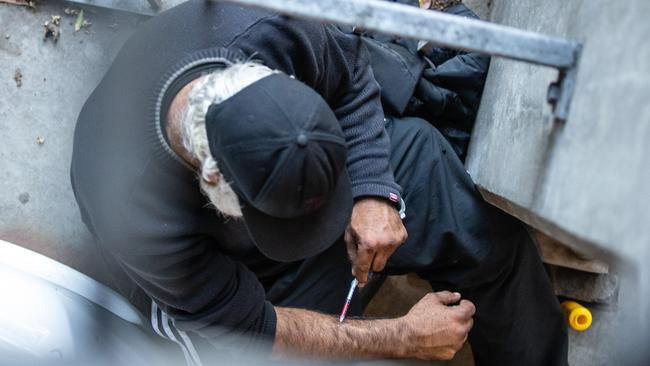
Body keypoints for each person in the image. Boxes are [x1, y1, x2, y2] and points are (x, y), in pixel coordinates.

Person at [70, 0, 568, 365]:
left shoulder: (270, 25)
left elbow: (350, 80)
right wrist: (401, 336)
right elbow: (252, 329)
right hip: (232, 285)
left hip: (302, 178)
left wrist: (374, 189)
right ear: (212, 178)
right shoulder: (139, 216)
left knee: (453, 198)